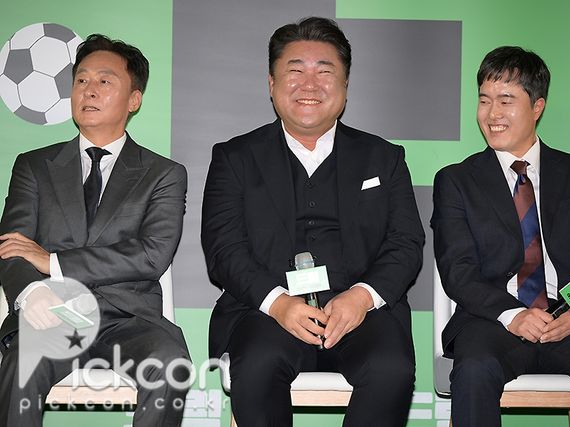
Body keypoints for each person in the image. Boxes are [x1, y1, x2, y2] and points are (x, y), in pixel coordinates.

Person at [201, 16, 424, 426]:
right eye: (295, 71)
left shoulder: (384, 157)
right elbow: (223, 250)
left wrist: (362, 298)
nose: (309, 85)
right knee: (258, 363)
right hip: (266, 312)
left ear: (345, 85)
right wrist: (279, 304)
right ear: (271, 84)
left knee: (391, 368)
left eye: (324, 72)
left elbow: (406, 243)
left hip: (361, 313)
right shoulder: (234, 158)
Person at [431, 45, 570, 426]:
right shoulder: (457, 181)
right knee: (474, 372)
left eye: (506, 100)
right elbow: (457, 270)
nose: (492, 114)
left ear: (537, 106)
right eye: (484, 100)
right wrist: (514, 316)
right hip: (493, 321)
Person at [0, 34, 190, 426]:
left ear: (134, 100)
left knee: (171, 365)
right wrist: (33, 292)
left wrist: (54, 262)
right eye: (81, 80)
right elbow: (12, 247)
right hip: (51, 314)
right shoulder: (34, 166)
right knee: (21, 366)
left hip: (130, 320)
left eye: (104, 81)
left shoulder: (163, 174)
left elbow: (152, 255)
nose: (89, 90)